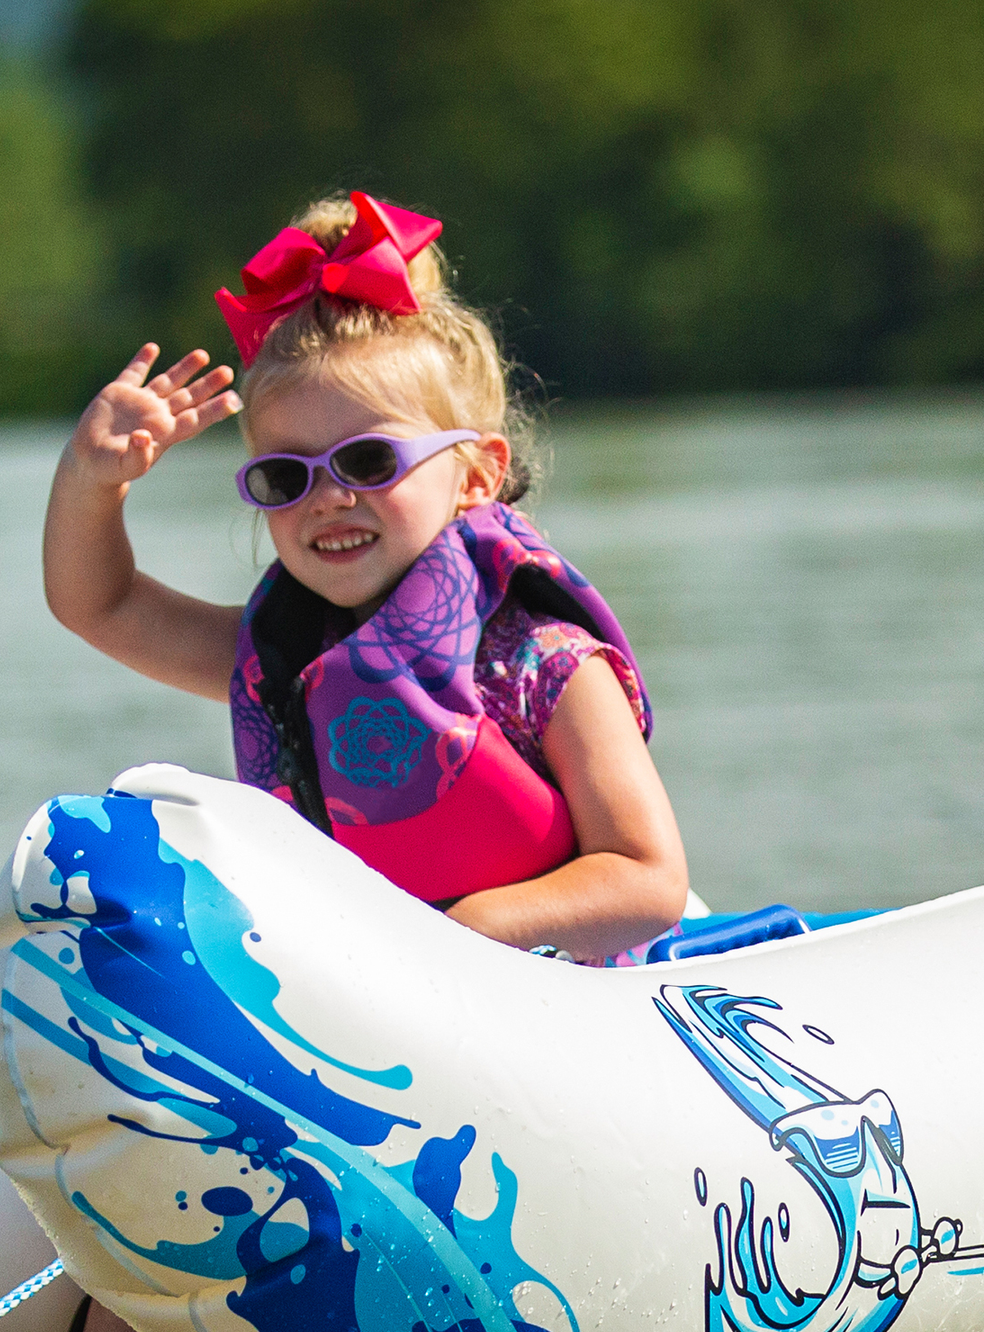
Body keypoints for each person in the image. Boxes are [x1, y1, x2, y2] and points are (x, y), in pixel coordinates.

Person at [42, 190, 688, 964]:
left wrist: (458, 936)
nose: (328, 498)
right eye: (287, 477)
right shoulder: (281, 658)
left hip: (546, 996)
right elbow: (100, 604)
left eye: (369, 461)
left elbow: (649, 879)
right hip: (362, 1001)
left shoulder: (546, 664)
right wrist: (91, 480)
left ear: (477, 474)